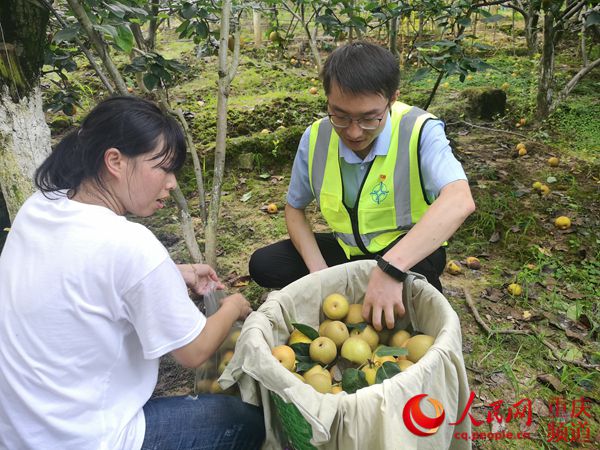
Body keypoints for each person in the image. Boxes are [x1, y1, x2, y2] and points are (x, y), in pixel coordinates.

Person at [0, 96, 265, 450]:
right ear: (115, 161)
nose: (172, 183)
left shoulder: (41, 205)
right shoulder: (130, 244)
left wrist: (172, 273)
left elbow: (80, 273)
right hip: (85, 440)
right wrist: (233, 306)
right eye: (163, 168)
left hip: (20, 432)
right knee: (243, 421)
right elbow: (194, 352)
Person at [249, 41, 475, 331]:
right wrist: (319, 275)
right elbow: (294, 209)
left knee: (407, 317)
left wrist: (391, 268)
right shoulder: (316, 137)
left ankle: (393, 288)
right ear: (327, 99)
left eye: (369, 118)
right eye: (340, 116)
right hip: (349, 251)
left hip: (409, 252)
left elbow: (459, 199)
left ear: (392, 99)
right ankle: (364, 288)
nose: (354, 132)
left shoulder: (419, 130)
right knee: (265, 264)